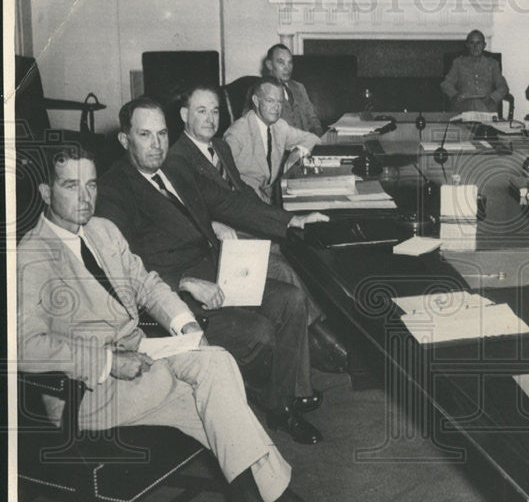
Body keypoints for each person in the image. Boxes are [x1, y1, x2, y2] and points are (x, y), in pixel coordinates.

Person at [18, 146, 360, 502]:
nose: (85, 197)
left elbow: (147, 284)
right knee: (216, 380)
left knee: (214, 383)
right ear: (44, 191)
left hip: (142, 359)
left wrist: (186, 326)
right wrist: (107, 361)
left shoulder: (102, 231)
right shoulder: (31, 256)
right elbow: (24, 346)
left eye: (91, 184)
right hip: (87, 394)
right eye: (71, 186)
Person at [96, 97, 328, 444]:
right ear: (125, 139)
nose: (157, 144)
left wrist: (293, 219)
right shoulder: (114, 191)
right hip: (178, 296)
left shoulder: (175, 168)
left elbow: (230, 203)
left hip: (218, 274)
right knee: (260, 333)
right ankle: (239, 408)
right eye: (145, 135)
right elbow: (123, 266)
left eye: (162, 134)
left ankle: (280, 407)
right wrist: (185, 283)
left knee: (292, 300)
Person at [166, 85, 349, 372]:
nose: (210, 118)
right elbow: (183, 214)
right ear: (183, 115)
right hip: (215, 250)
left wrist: (284, 218)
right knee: (284, 267)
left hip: (241, 228)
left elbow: (240, 197)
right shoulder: (176, 159)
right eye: (201, 111)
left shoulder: (219, 147)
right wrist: (213, 224)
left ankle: (317, 338)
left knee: (292, 254)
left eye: (215, 111)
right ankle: (322, 339)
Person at [224, 76, 321, 204]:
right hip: (244, 203)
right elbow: (222, 179)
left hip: (269, 201)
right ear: (256, 101)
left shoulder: (280, 126)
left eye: (280, 102)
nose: (276, 107)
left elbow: (313, 139)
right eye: (270, 101)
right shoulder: (237, 133)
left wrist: (297, 152)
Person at [440, 29, 509, 113]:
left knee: (477, 104)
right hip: (464, 106)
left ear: (484, 45)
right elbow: (446, 84)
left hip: (487, 106)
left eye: (478, 43)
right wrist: (455, 95)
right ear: (467, 45)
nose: (475, 46)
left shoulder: (493, 64)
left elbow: (503, 87)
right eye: (472, 43)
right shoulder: (458, 63)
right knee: (474, 104)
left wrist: (492, 98)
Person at [263, 43, 324, 136]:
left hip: (307, 144)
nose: (287, 68)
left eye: (290, 62)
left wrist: (316, 138)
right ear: (269, 65)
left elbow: (313, 119)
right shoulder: (260, 90)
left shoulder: (299, 87)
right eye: (281, 62)